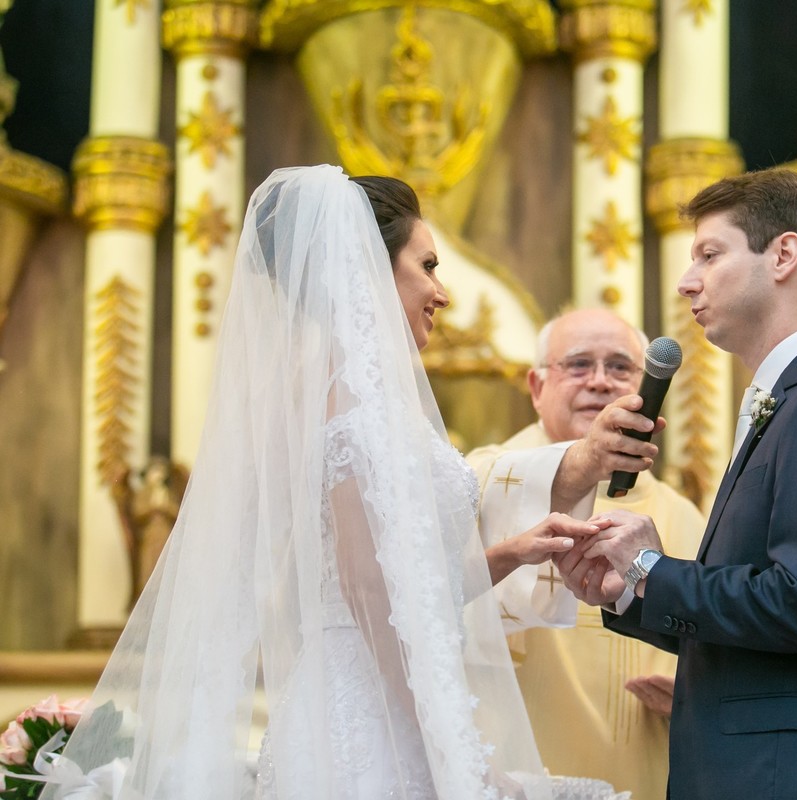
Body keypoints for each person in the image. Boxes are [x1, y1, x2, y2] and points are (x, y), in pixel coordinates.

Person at [51, 165, 622, 800]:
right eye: (428, 266)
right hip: (370, 724)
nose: (442, 292)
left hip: (379, 698)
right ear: (370, 267)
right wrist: (446, 743)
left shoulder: (359, 395)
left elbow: (404, 588)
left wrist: (513, 552)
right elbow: (365, 590)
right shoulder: (349, 397)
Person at [557, 168, 797, 799]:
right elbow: (762, 619)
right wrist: (628, 592)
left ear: (784, 255)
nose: (687, 281)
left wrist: (651, 568)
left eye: (709, 254)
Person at [466, 308, 705, 800]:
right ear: (536, 387)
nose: (599, 381)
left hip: (644, 767)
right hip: (514, 767)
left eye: (619, 367)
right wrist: (585, 462)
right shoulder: (482, 479)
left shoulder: (683, 516)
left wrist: (695, 690)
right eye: (578, 365)